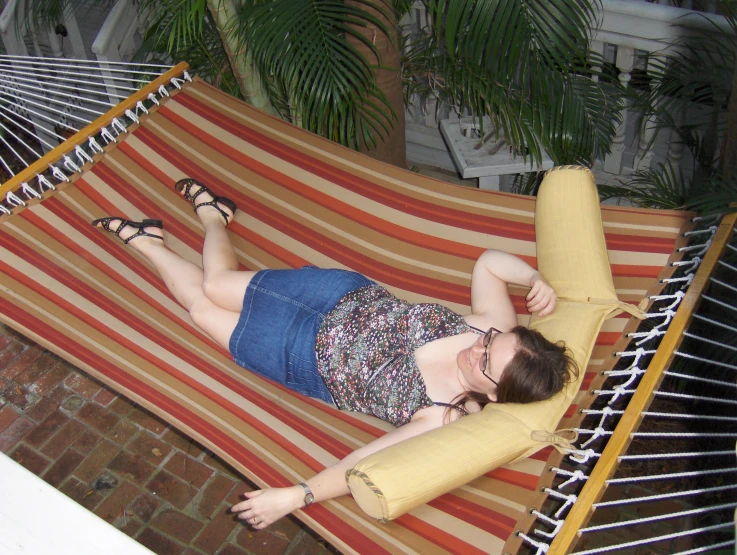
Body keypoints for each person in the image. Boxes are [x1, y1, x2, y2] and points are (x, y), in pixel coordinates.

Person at [93, 178, 576, 529]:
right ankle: (212, 217)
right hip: (334, 296)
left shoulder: (441, 416)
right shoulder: (489, 329)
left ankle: (149, 243)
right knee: (217, 285)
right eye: (489, 341)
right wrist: (535, 280)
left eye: (485, 361)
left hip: (302, 360)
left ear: (494, 393)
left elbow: (364, 462)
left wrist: (295, 497)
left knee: (202, 309)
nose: (479, 347)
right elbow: (490, 262)